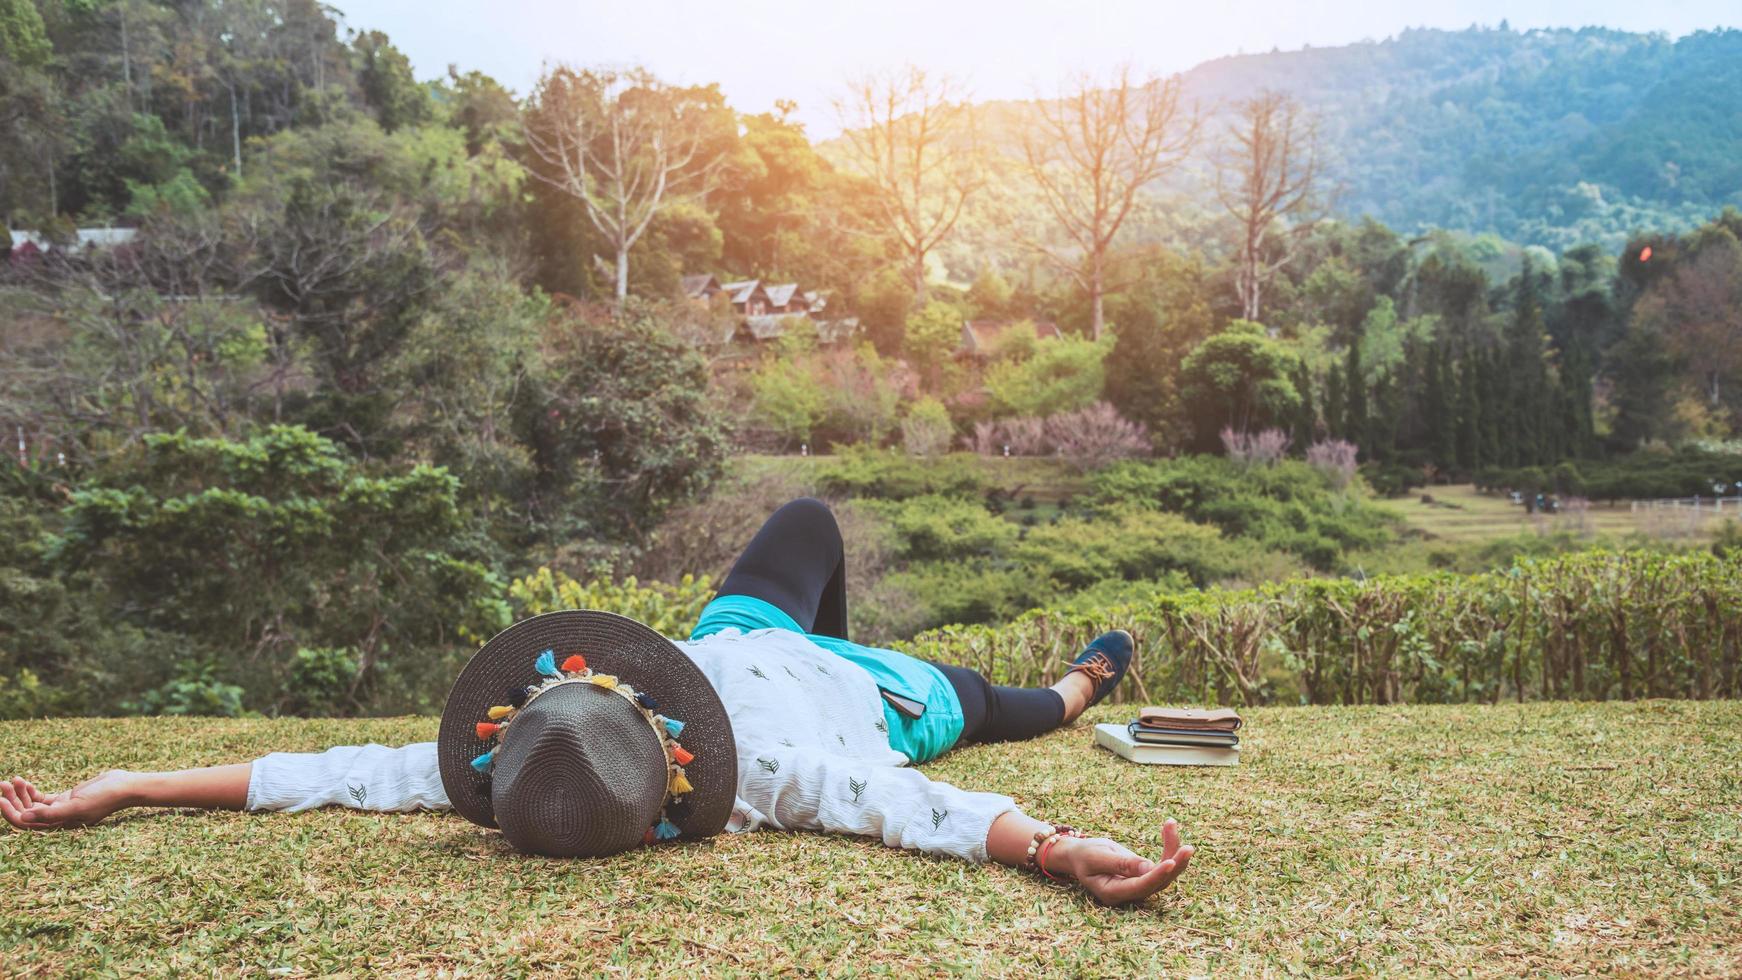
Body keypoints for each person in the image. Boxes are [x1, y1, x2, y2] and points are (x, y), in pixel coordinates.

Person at [1, 499, 1193, 905]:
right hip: (879, 692)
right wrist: (1053, 845)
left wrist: (135, 782)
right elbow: (917, 806)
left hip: (741, 634)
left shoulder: (522, 753)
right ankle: (1099, 668)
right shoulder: (774, 777)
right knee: (1031, 701)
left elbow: (329, 769)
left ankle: (1060, 671)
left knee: (807, 522)